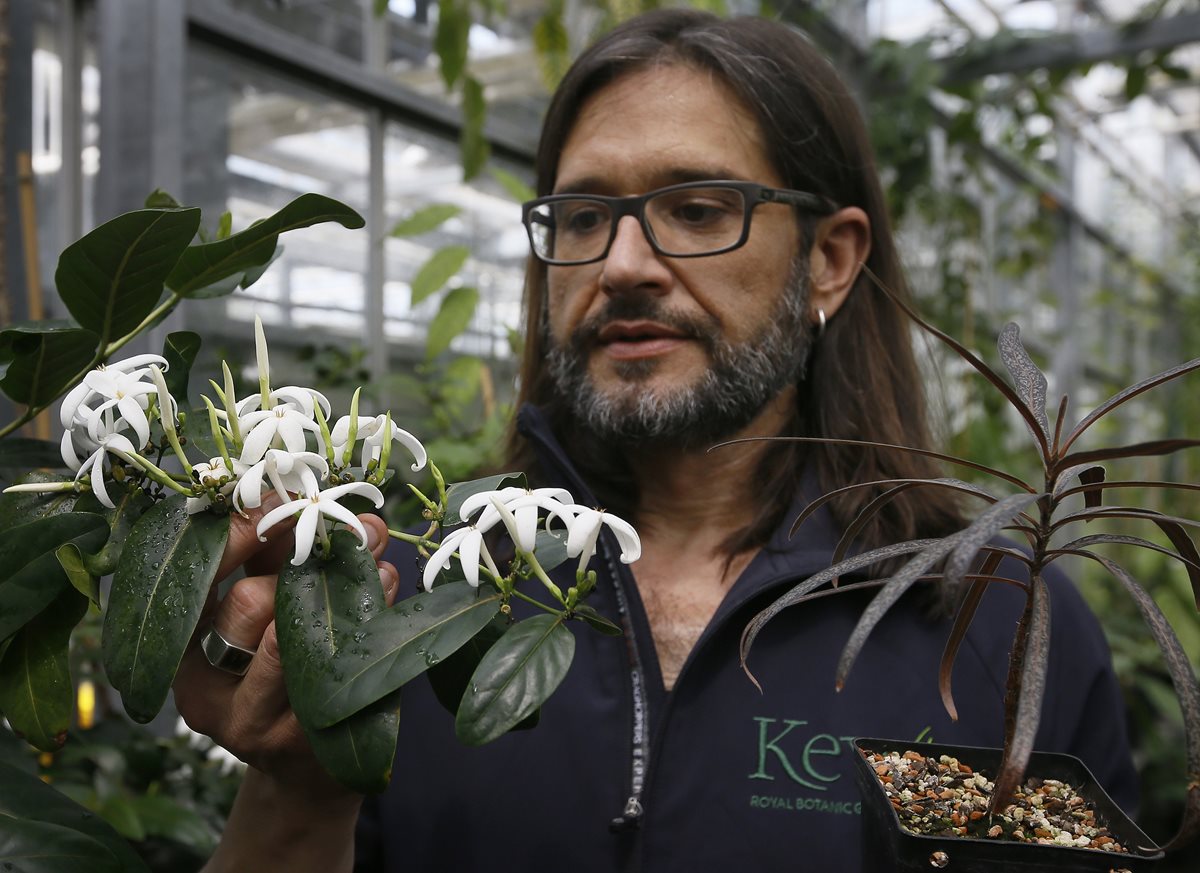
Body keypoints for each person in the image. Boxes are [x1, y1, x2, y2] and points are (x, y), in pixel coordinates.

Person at [175, 10, 1137, 872]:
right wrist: (300, 785)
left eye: (698, 209)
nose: (625, 263)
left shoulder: (997, 626)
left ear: (829, 263)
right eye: (584, 216)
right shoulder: (417, 597)